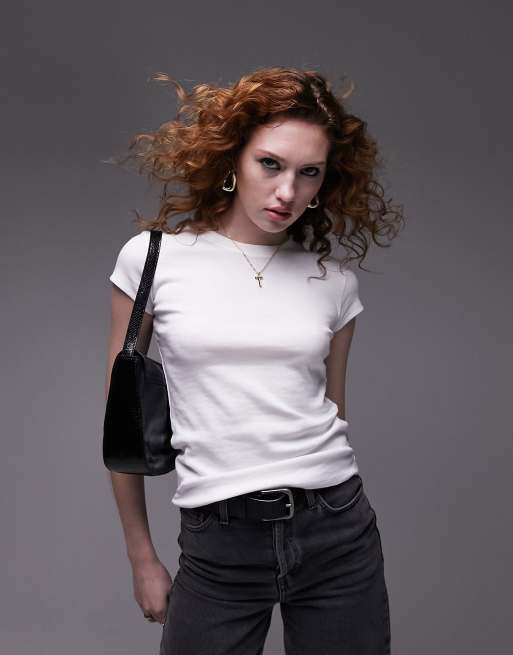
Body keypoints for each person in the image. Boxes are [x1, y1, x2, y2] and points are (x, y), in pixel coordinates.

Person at [104, 66, 404, 654]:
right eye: (270, 163)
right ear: (233, 159)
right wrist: (142, 557)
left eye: (308, 172)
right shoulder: (153, 259)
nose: (287, 191)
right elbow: (121, 423)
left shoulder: (333, 281)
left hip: (336, 530)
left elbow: (333, 410)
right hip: (218, 540)